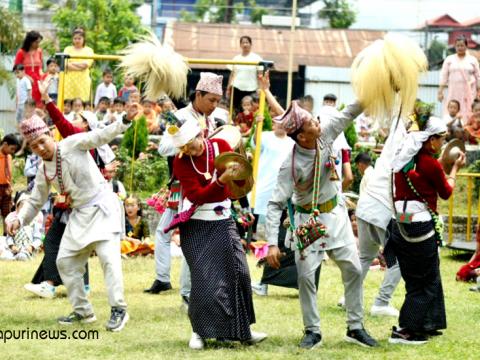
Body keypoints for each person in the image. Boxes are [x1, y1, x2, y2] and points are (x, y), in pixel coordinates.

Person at [8, 99, 138, 331]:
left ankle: (119, 309)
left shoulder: (72, 143)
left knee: (109, 260)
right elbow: (36, 200)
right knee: (65, 262)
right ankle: (83, 312)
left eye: (42, 141)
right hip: (79, 214)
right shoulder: (42, 170)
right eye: (34, 146)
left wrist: (125, 120)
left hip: (103, 207)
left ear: (50, 134)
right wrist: (19, 219)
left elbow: (100, 136)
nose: (40, 148)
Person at [265, 100, 378, 349]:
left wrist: (373, 89)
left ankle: (355, 327)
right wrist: (271, 243)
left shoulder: (326, 132)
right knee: (305, 278)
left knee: (355, 270)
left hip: (336, 215)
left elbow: (350, 111)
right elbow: (275, 204)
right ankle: (312, 331)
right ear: (302, 136)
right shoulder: (290, 165)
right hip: (307, 222)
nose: (318, 122)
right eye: (311, 123)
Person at [167, 116, 266, 350]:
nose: (189, 151)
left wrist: (241, 171)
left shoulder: (220, 147)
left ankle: (243, 331)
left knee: (240, 273)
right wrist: (221, 180)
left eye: (191, 145)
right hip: (196, 223)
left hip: (223, 220)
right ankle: (198, 332)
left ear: (200, 135)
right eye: (183, 148)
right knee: (204, 280)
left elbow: (239, 181)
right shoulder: (181, 162)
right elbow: (198, 196)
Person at [387, 115, 465, 344]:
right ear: (430, 140)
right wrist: (454, 169)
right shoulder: (430, 164)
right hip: (420, 227)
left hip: (399, 224)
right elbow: (447, 192)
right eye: (441, 139)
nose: (442, 143)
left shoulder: (404, 160)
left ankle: (428, 323)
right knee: (427, 280)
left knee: (415, 278)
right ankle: (407, 330)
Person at [145, 73, 223, 296]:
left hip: (207, 186)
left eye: (218, 102)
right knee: (168, 231)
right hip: (184, 184)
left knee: (185, 234)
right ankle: (170, 282)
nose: (214, 106)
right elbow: (163, 148)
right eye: (211, 100)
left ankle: (184, 289)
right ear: (198, 94)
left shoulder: (213, 120)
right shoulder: (179, 116)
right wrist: (187, 143)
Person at [355, 119, 405, 319]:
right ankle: (381, 302)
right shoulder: (404, 149)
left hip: (365, 206)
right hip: (380, 208)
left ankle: (348, 296)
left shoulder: (389, 149)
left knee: (365, 257)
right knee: (399, 259)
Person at [249, 120, 295, 296]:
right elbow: (255, 143)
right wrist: (257, 127)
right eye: (277, 122)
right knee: (272, 235)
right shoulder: (266, 137)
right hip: (265, 191)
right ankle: (265, 280)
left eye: (285, 122)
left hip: (288, 194)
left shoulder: (292, 142)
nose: (281, 125)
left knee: (285, 238)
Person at [438, 35, 480, 122]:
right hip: (453, 90)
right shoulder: (449, 59)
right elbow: (444, 75)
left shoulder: (473, 60)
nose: (460, 48)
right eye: (458, 45)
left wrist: (479, 92)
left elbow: (478, 76)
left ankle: (467, 130)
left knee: (469, 109)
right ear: (455, 46)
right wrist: (440, 91)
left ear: (466, 46)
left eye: (462, 45)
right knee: (452, 108)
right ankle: (449, 130)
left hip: (469, 92)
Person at [227, 36, 262, 113]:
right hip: (236, 88)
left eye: (247, 42)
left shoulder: (257, 58)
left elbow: (260, 75)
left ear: (250, 44)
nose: (245, 44)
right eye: (243, 42)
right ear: (240, 45)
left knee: (250, 112)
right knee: (235, 110)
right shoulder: (236, 58)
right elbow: (232, 74)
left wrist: (260, 88)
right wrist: (228, 87)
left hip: (251, 89)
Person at [3, 193, 43, 261]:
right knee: (5, 255)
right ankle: (13, 257)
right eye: (21, 207)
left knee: (22, 255)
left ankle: (20, 257)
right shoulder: (13, 222)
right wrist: (12, 246)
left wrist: (31, 247)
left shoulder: (34, 223)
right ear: (17, 209)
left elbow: (38, 239)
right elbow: (9, 237)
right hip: (15, 250)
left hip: (27, 250)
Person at [63, 28, 94, 102]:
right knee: (68, 102)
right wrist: (80, 67)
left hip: (83, 80)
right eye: (75, 38)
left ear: (83, 39)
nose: (77, 40)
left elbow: (86, 64)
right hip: (69, 80)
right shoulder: (67, 49)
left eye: (79, 38)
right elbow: (65, 64)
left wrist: (72, 63)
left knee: (82, 102)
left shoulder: (89, 50)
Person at [14, 30, 43, 107]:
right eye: (36, 42)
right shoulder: (21, 52)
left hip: (37, 82)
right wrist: (26, 77)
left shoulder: (39, 51)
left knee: (38, 105)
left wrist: (42, 74)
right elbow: (16, 69)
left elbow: (40, 66)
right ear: (30, 42)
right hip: (25, 82)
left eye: (39, 42)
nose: (38, 44)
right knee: (26, 104)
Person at [0, 134, 20, 235]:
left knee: (6, 213)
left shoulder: (9, 157)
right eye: (11, 149)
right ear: (5, 144)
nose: (12, 152)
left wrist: (10, 186)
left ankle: (5, 236)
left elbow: (9, 173)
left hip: (7, 188)